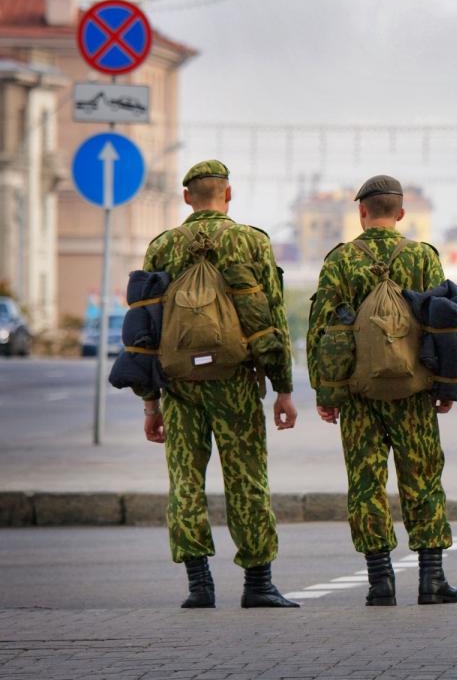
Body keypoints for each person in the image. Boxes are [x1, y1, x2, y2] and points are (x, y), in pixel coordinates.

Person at [140, 160, 299, 609]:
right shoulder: (250, 241)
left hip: (179, 385)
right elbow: (271, 317)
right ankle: (258, 584)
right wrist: (283, 388)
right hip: (236, 380)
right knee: (247, 478)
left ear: (187, 198)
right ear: (228, 195)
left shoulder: (164, 247)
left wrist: (150, 403)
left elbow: (145, 328)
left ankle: (199, 586)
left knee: (185, 479)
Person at [307, 175, 457, 606]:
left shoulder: (340, 260)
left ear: (361, 212)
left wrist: (326, 393)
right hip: (414, 393)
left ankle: (380, 582)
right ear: (401, 214)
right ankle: (432, 580)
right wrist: (445, 386)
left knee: (365, 483)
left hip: (359, 394)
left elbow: (323, 330)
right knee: (424, 479)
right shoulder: (422, 257)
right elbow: (441, 324)